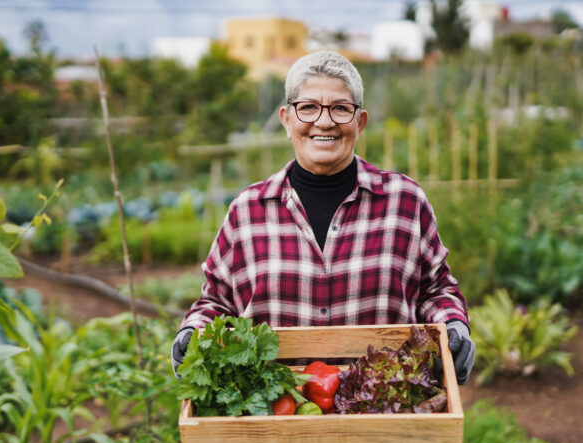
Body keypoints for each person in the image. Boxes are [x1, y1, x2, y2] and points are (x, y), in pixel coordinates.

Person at [171, 50, 475, 386]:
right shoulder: (248, 211)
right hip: (275, 415)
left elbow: (436, 289)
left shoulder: (404, 202)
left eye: (340, 108)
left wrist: (453, 324)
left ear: (360, 123)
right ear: (287, 120)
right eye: (309, 107)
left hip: (387, 416)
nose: (325, 121)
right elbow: (216, 301)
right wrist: (191, 333)